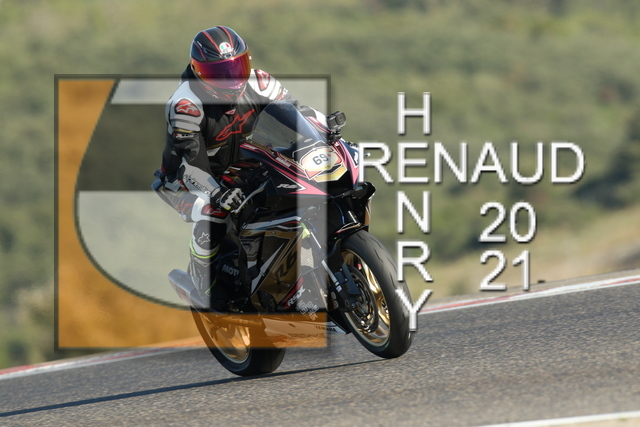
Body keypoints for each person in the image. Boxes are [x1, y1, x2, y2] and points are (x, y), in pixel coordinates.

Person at [153, 26, 324, 311]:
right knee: (212, 212)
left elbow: (298, 114)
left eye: (236, 68)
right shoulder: (185, 105)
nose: (231, 80)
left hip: (245, 167)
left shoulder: (260, 82)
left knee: (303, 186)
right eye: (218, 73)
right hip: (184, 178)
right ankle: (205, 286)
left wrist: (325, 131)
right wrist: (216, 192)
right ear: (197, 72)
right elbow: (190, 162)